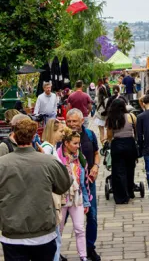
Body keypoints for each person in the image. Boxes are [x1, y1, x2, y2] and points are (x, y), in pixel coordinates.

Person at [0, 118, 71, 261]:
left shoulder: (3, 163)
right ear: (34, 136)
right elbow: (64, 184)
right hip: (42, 233)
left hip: (13, 233)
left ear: (13, 135)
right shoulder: (48, 161)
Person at [65, 109, 101, 261]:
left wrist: (96, 167)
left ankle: (89, 247)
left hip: (87, 184)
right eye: (69, 121)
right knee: (62, 219)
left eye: (75, 121)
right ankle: (55, 250)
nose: (72, 124)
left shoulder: (90, 135)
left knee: (92, 216)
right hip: (67, 186)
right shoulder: (63, 138)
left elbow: (96, 153)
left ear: (81, 121)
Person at [57, 128, 91, 261]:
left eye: (79, 143)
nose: (78, 146)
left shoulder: (80, 158)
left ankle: (83, 256)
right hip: (62, 198)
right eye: (75, 143)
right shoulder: (58, 157)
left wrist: (87, 201)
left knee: (80, 228)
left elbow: (85, 182)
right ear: (66, 143)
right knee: (58, 230)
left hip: (77, 197)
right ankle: (56, 255)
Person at [41, 119, 66, 261]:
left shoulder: (52, 147)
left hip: (55, 195)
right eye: (60, 131)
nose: (63, 134)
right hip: (51, 196)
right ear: (52, 131)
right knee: (55, 237)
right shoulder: (48, 149)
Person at [106, 99, 138, 204]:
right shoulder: (131, 117)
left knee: (119, 171)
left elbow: (110, 136)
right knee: (130, 168)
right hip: (130, 144)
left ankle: (122, 196)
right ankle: (130, 191)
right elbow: (135, 131)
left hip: (117, 144)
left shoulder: (111, 119)